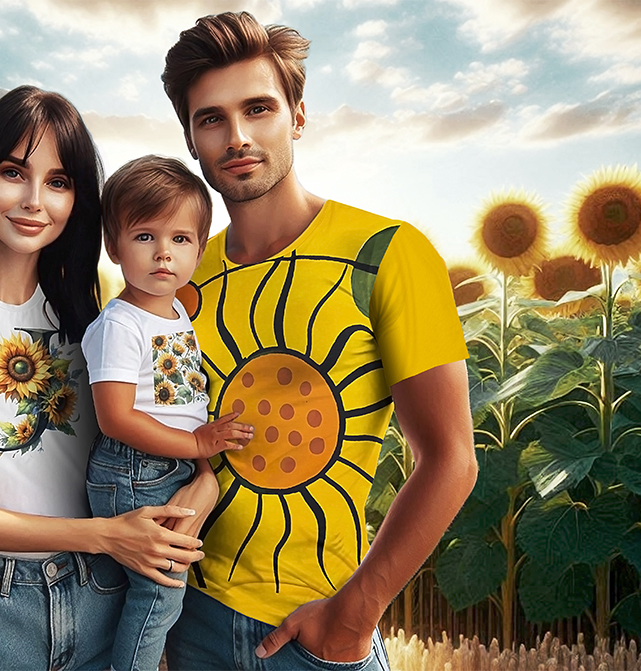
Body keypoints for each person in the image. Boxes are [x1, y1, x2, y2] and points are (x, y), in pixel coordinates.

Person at [160, 12, 478, 671]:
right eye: (211, 118)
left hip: (314, 633)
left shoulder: (388, 254)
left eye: (258, 108)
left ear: (297, 117)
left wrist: (355, 614)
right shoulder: (182, 285)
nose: (238, 136)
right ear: (192, 139)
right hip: (190, 624)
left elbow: (451, 457)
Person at [0, 86, 209, 671]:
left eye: (58, 182)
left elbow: (171, 418)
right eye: (12, 172)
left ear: (78, 200)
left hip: (105, 593)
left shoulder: (98, 320)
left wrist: (201, 488)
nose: (34, 200)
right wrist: (105, 535)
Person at [82, 155, 254, 671]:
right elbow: (116, 417)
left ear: (201, 250)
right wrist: (200, 447)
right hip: (133, 469)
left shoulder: (177, 311)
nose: (163, 254)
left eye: (180, 240)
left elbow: (178, 403)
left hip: (166, 464)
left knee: (139, 588)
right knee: (160, 592)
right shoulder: (122, 325)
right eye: (144, 237)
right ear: (114, 247)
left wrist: (199, 465)